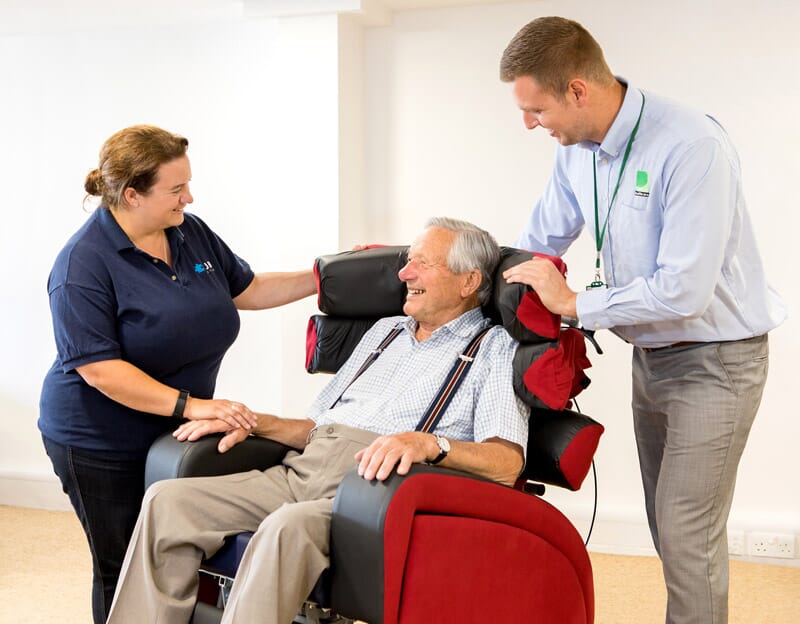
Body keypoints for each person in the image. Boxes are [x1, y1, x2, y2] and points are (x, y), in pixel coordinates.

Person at [498, 16, 786, 624]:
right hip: (649, 356)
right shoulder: (575, 151)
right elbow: (537, 243)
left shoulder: (689, 145)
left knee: (687, 532)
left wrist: (573, 304)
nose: (529, 124)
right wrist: (479, 282)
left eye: (536, 109)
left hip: (717, 362)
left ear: (578, 90)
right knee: (667, 523)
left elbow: (683, 291)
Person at [106, 217, 528, 623]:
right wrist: (257, 422)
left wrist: (429, 444)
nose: (404, 274)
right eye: (407, 261)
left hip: (372, 495)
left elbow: (507, 464)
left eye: (422, 264)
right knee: (167, 502)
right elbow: (317, 427)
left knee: (285, 527)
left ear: (469, 281)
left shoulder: (492, 349)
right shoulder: (386, 331)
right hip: (301, 472)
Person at [38, 125, 317, 624]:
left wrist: (325, 277)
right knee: (124, 567)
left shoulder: (188, 232)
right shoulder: (83, 264)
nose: (189, 196)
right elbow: (100, 370)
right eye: (175, 189)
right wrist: (194, 405)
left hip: (171, 432)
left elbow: (248, 289)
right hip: (97, 438)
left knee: (172, 555)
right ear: (131, 194)